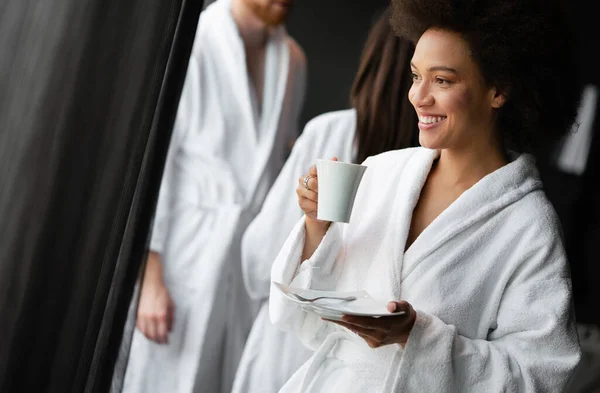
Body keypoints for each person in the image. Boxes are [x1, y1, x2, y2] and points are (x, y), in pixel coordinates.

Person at [269, 0, 583, 391]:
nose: (419, 96)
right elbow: (301, 320)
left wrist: (417, 336)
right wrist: (317, 227)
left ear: (498, 90)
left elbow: (540, 374)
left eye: (443, 80)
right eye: (416, 75)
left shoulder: (528, 225)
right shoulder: (382, 172)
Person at [121, 0, 306, 392]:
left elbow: (279, 165)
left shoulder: (292, 60)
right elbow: (159, 163)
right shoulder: (195, 41)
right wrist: (149, 280)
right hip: (184, 253)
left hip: (244, 263)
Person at [231, 8, 419, 393]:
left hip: (287, 353)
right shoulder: (431, 166)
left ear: (373, 65)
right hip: (367, 366)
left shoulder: (329, 133)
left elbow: (257, 258)